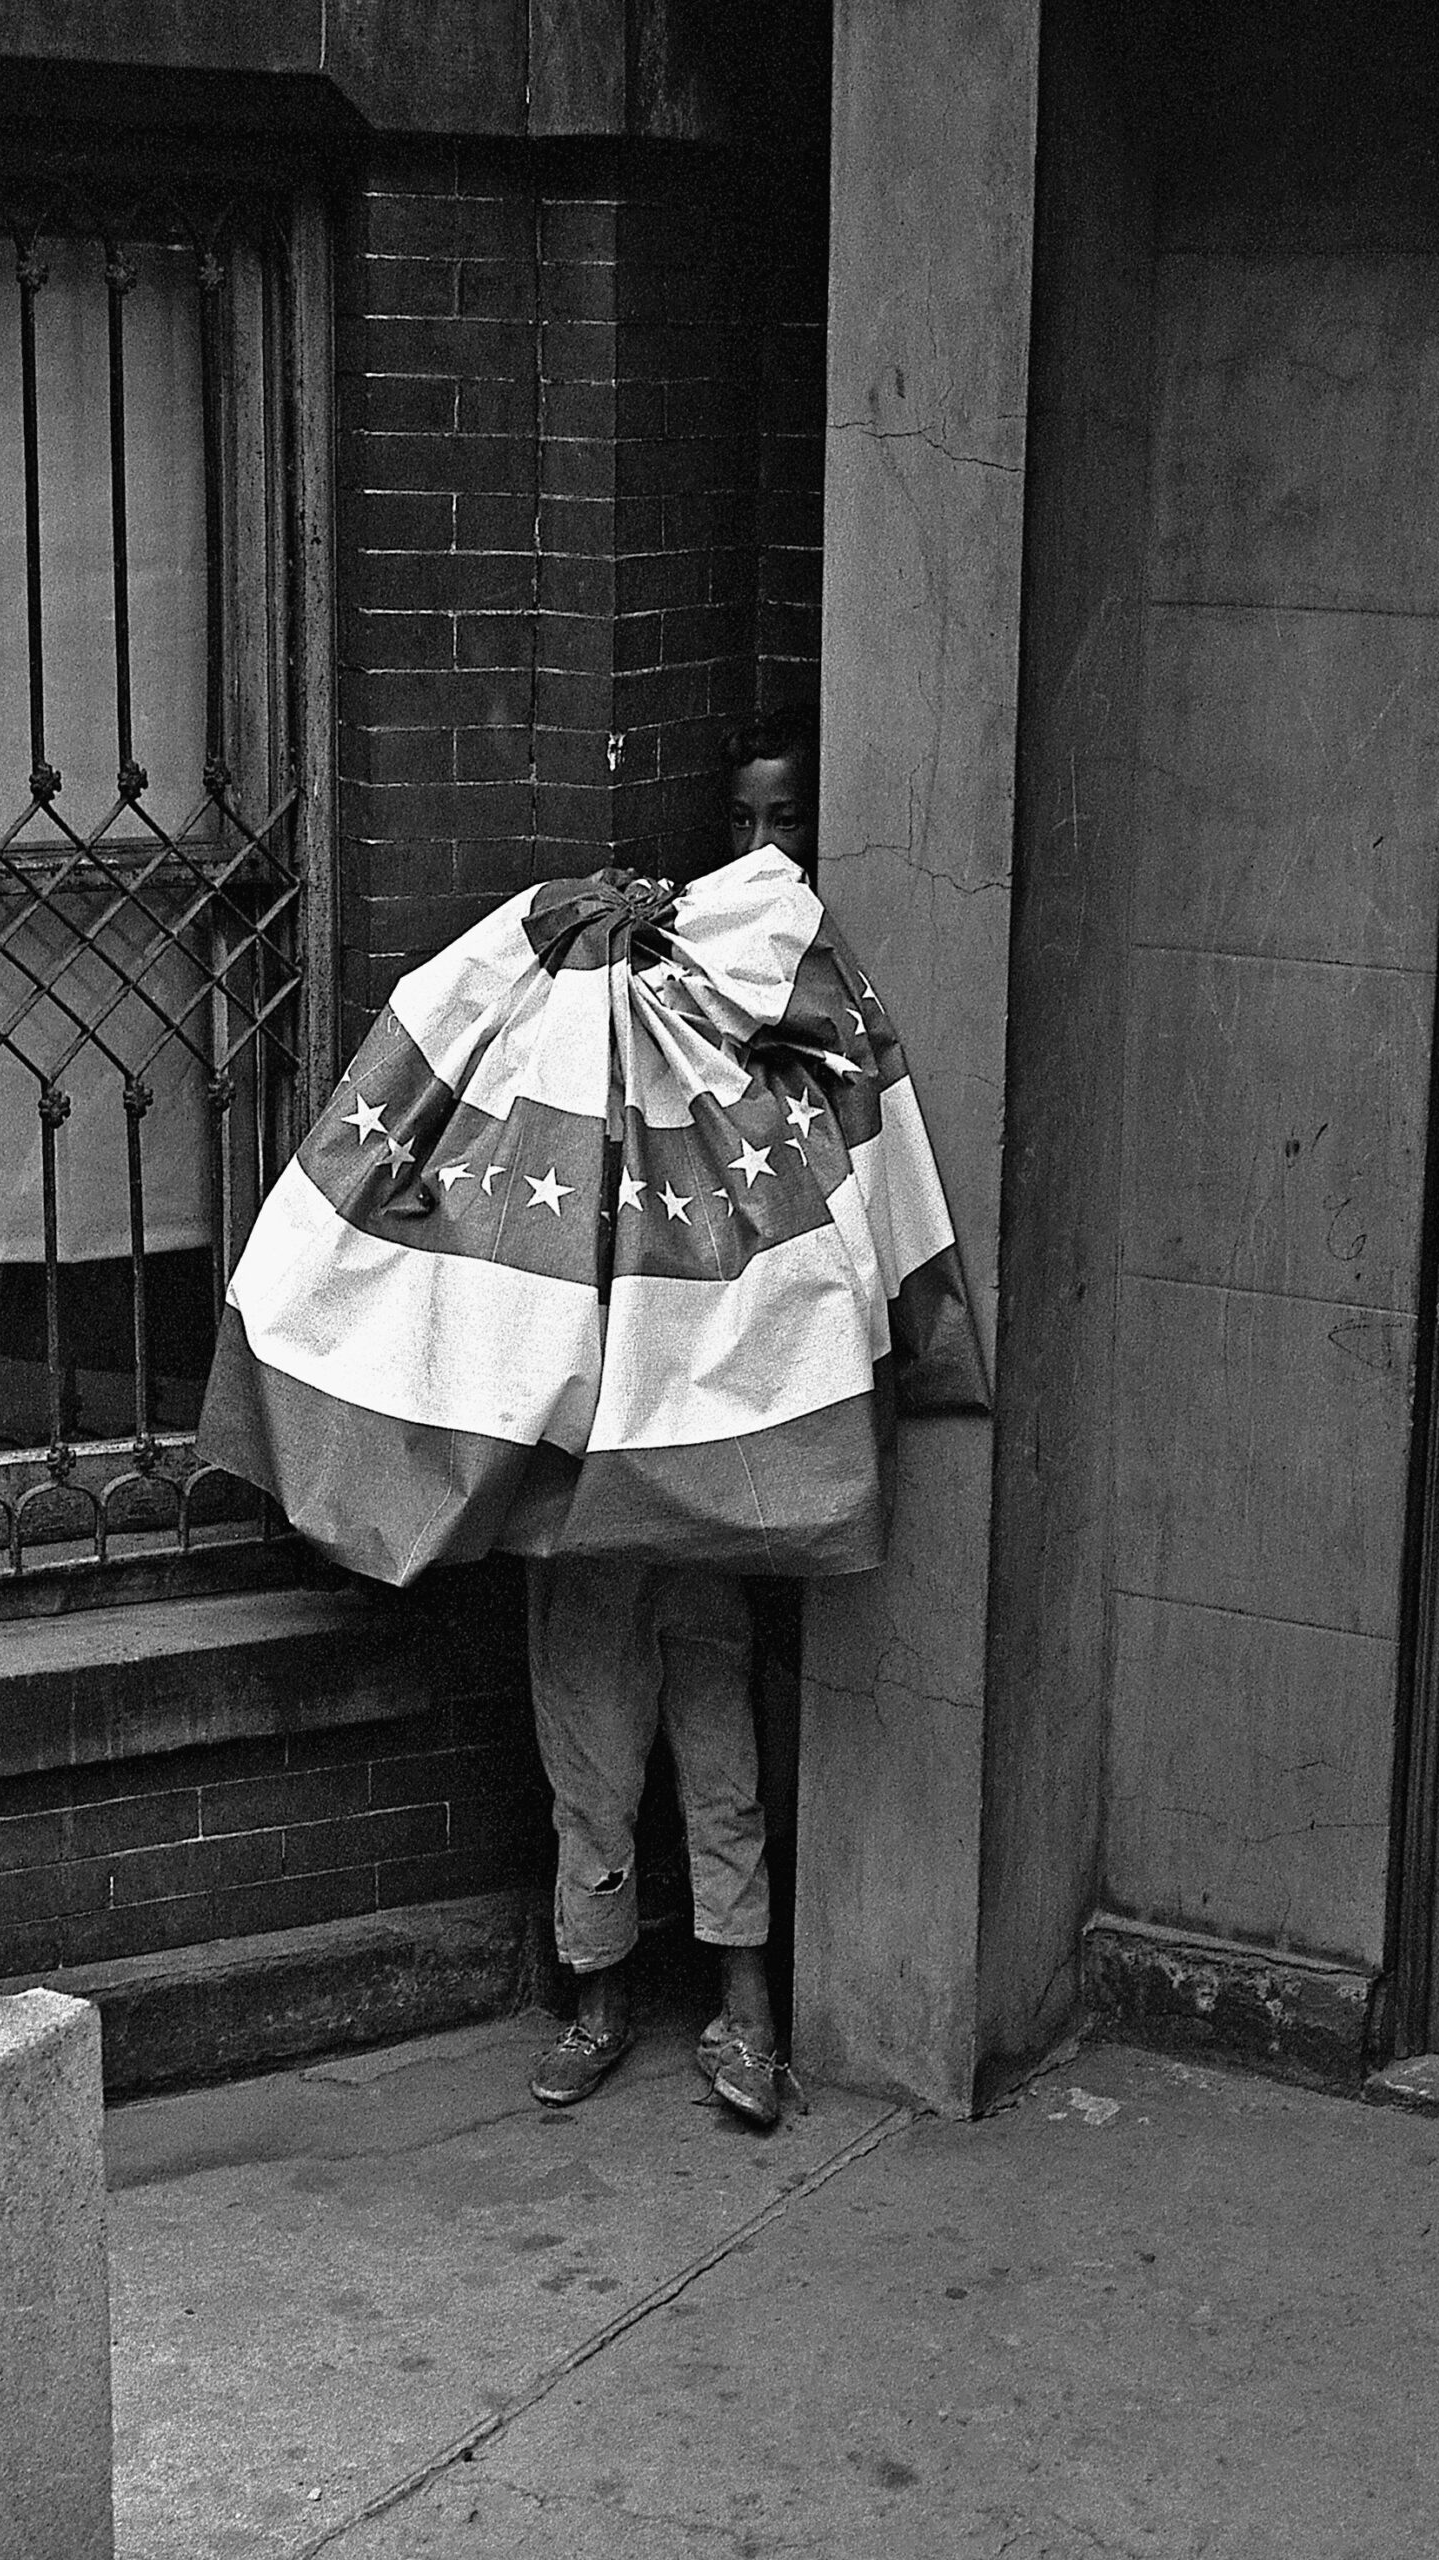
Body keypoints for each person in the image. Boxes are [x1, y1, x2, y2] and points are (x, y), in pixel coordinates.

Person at [525, 704, 820, 2128]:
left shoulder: (795, 993)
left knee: (717, 1732)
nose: (764, 849)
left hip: (703, 1444)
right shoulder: (653, 968)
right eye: (745, 821)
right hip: (594, 1449)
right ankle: (596, 1988)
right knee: (590, 1731)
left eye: (792, 823)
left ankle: (745, 2008)